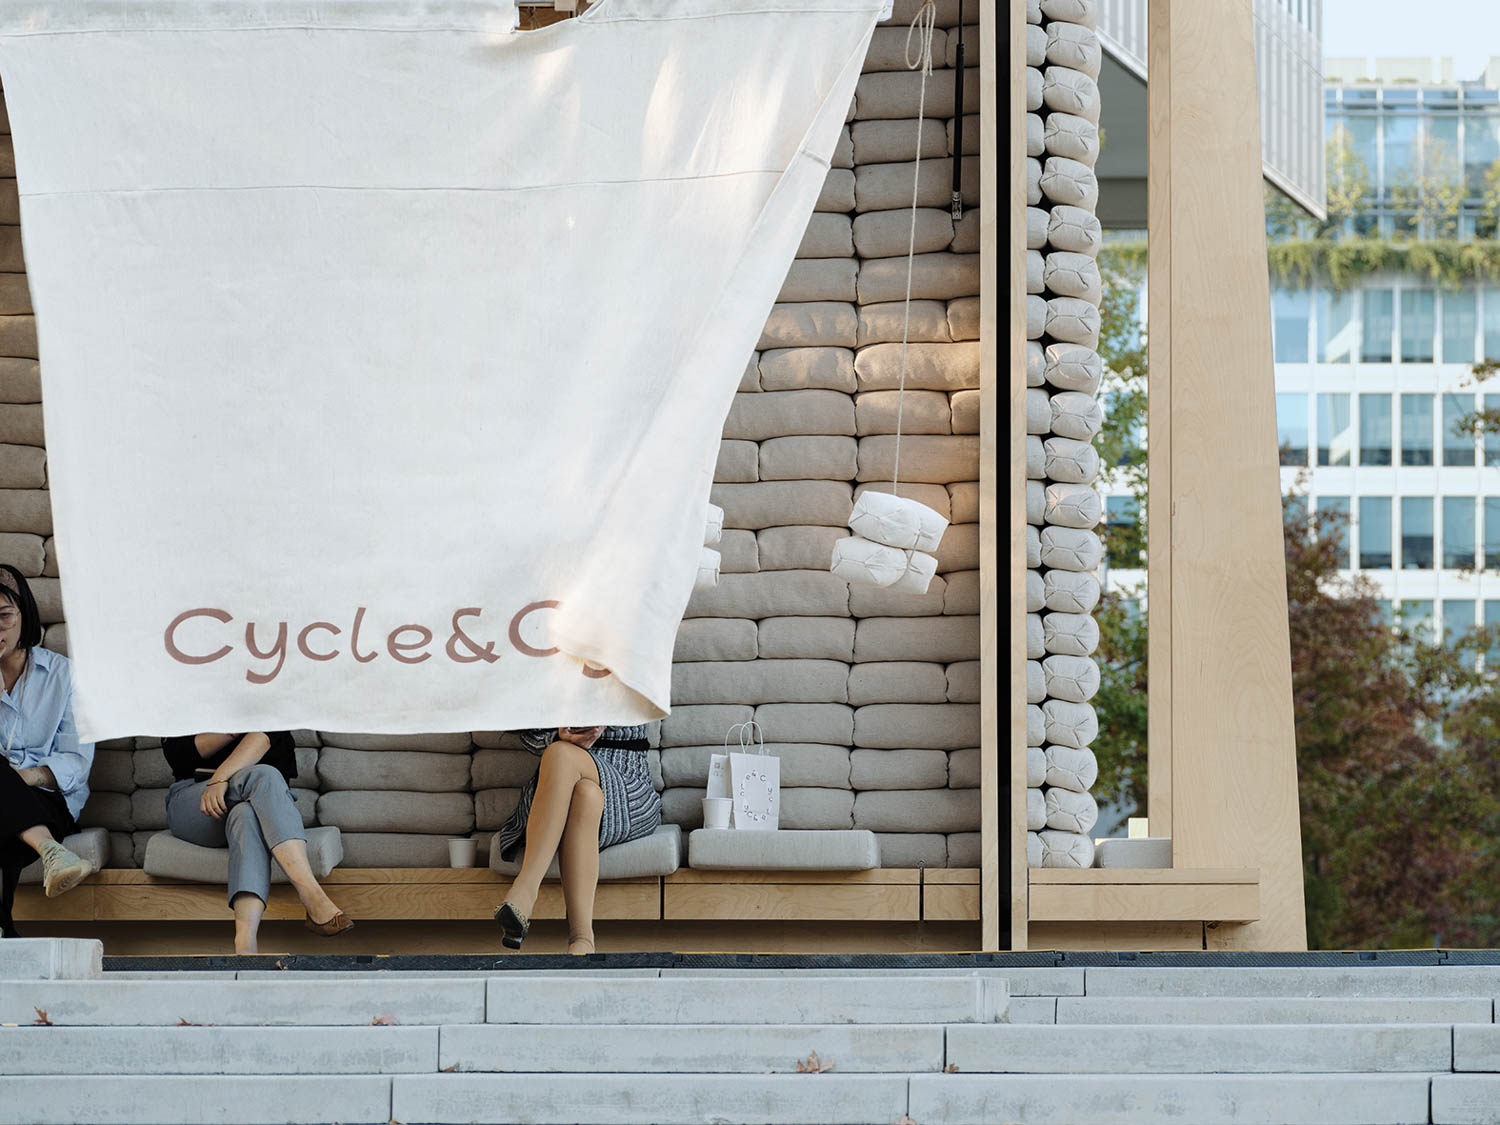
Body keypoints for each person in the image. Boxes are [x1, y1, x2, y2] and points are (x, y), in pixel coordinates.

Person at [160, 731, 351, 953]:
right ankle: (312, 895)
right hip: (197, 805)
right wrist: (221, 773)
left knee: (246, 813)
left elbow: (265, 739)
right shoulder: (192, 702)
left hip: (253, 809)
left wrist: (223, 776)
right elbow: (179, 755)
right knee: (264, 775)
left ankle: (245, 944)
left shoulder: (269, 709)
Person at [494, 723, 660, 954]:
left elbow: (647, 706)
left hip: (626, 780)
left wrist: (600, 720)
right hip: (559, 785)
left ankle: (524, 891)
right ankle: (582, 939)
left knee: (560, 754)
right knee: (585, 793)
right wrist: (556, 734)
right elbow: (528, 734)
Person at [0, 565, 95, 938]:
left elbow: (76, 762)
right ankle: (52, 852)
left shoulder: (65, 677)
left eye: (4, 616)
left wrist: (23, 777)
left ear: (25, 614)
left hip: (49, 798)